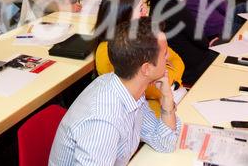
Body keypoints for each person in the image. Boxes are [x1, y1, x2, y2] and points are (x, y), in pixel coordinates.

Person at [49, 17, 181, 166]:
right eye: (164, 54)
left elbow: (164, 143)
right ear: (146, 69)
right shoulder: (104, 121)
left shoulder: (131, 90)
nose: (168, 56)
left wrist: (167, 97)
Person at [94, 0, 185, 116]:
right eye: (141, 9)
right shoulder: (109, 51)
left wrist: (169, 80)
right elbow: (153, 90)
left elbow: (178, 60)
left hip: (167, 98)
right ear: (123, 15)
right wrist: (168, 76)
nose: (146, 12)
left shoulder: (142, 36)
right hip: (143, 113)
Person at [147, 0, 218, 85]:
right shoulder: (177, 7)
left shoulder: (156, 0)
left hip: (173, 62)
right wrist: (209, 42)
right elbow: (200, 39)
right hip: (189, 67)